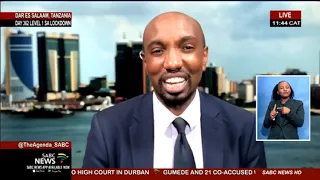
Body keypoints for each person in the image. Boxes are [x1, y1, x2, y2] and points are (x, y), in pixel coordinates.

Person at [83, 12, 267, 168]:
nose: (173, 63)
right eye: (157, 51)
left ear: (204, 57)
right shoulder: (108, 128)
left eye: (187, 48)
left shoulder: (244, 127)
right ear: (145, 61)